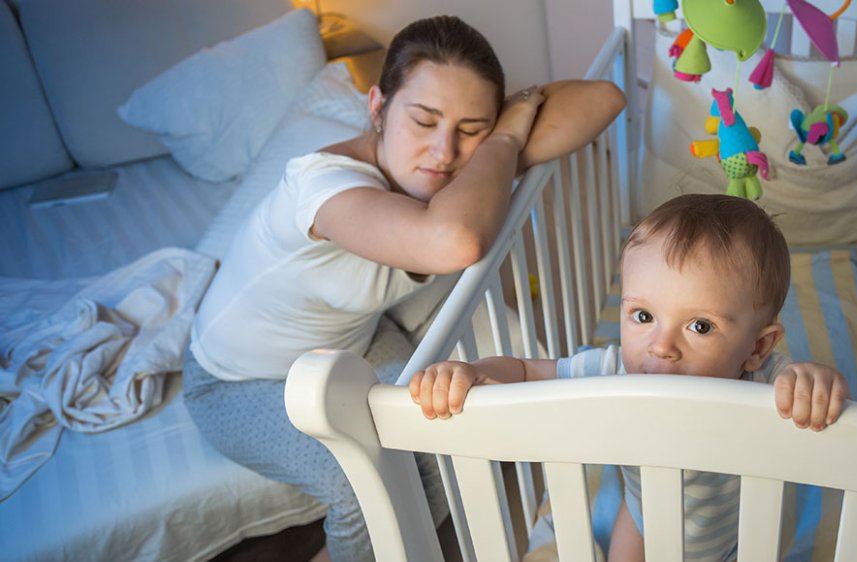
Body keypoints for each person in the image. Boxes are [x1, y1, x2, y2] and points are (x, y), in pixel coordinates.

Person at [181, 14, 625, 562]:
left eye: (468, 129)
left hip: (352, 343)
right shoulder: (325, 187)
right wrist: (507, 134)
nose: (443, 152)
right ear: (377, 107)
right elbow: (456, 242)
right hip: (238, 381)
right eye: (424, 120)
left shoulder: (456, 165)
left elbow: (605, 98)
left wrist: (505, 120)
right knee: (360, 486)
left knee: (449, 429)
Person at [410, 193, 851, 562]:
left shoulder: (763, 383)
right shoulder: (614, 371)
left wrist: (814, 381)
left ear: (756, 348)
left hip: (735, 534)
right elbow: (527, 371)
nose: (661, 346)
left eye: (700, 326)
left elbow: (802, 386)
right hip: (642, 517)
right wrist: (474, 372)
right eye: (643, 316)